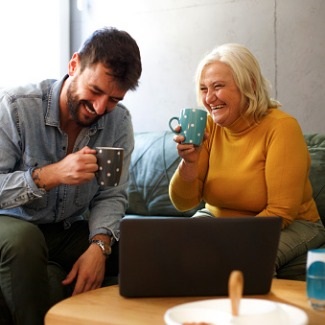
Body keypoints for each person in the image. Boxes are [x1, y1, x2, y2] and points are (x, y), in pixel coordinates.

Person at [0, 27, 142, 324]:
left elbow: (111, 194)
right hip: (14, 222)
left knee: (144, 244)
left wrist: (99, 246)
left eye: (114, 99)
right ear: (74, 65)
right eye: (95, 91)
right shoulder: (16, 108)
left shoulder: (118, 122)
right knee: (23, 240)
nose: (100, 107)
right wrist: (49, 175)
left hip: (67, 229)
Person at [169, 43, 325, 278]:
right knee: (170, 251)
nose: (209, 98)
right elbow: (183, 203)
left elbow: (281, 211)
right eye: (203, 89)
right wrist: (189, 162)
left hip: (292, 224)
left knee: (242, 260)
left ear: (249, 84)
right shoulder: (209, 126)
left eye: (218, 86)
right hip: (217, 218)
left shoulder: (281, 128)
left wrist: (228, 240)